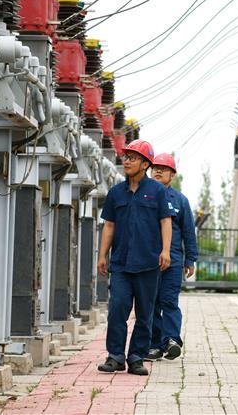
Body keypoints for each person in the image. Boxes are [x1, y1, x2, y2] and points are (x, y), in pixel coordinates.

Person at [97, 139, 173, 376]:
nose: (126, 161)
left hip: (148, 263)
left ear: (145, 164)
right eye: (126, 157)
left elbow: (165, 221)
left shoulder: (158, 191)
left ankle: (137, 357)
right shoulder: (116, 192)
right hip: (120, 263)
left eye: (132, 157)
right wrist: (102, 256)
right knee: (118, 308)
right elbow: (109, 225)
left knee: (145, 313)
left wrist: (166, 251)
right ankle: (116, 356)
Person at [145, 153, 198, 362]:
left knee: (169, 301)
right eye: (155, 167)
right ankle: (155, 345)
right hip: (148, 261)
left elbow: (188, 231)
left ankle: (172, 340)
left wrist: (190, 259)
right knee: (151, 303)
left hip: (173, 261)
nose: (158, 171)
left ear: (172, 175)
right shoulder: (144, 196)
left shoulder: (180, 201)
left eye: (163, 169)